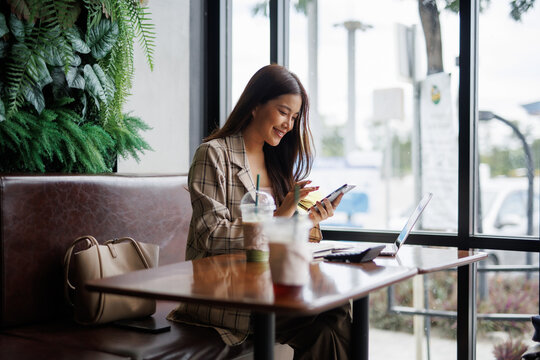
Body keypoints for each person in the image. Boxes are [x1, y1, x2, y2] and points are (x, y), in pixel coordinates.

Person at [168, 64, 351, 359]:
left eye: (294, 117)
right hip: (226, 296)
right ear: (255, 105)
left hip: (271, 287)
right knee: (334, 311)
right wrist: (280, 218)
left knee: (331, 321)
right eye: (283, 112)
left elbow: (278, 243)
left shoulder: (275, 163)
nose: (289, 124)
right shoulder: (214, 154)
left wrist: (307, 219)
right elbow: (210, 235)